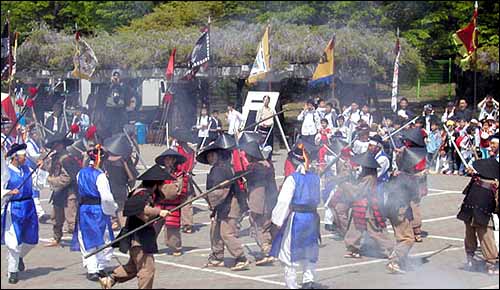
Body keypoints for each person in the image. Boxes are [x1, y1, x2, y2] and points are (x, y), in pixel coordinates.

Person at [98, 165, 172, 289]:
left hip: (137, 238)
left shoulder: (141, 192)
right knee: (147, 269)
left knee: (133, 267)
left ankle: (109, 279)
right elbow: (143, 209)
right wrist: (158, 212)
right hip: (139, 239)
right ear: (155, 184)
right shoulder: (141, 194)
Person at [270, 140, 321, 289]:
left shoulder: (292, 179)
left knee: (288, 252)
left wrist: (276, 221)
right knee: (309, 249)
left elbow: (283, 202)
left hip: (298, 218)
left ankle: (291, 284)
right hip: (312, 218)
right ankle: (308, 280)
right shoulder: (316, 178)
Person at [197, 136, 250, 271]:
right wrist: (210, 197)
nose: (209, 158)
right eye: (208, 156)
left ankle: (240, 257)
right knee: (215, 231)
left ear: (218, 155)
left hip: (231, 204)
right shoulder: (216, 169)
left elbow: (222, 192)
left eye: (211, 155)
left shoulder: (224, 168)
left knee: (227, 232)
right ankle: (217, 256)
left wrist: (210, 197)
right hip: (221, 205)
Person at [71, 145, 118, 281]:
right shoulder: (101, 176)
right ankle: (100, 266)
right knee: (103, 237)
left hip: (84, 209)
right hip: (98, 209)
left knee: (86, 237)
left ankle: (93, 268)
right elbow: (106, 197)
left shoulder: (80, 173)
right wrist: (112, 209)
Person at [341, 152, 394, 259]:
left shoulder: (369, 177)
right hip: (360, 205)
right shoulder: (366, 175)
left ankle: (390, 248)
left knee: (375, 231)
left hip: (368, 207)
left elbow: (357, 190)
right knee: (355, 228)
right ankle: (353, 248)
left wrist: (344, 184)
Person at [1, 144, 39, 284]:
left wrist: (39, 169)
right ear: (15, 157)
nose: (25, 158)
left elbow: (38, 183)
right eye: (23, 156)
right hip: (15, 207)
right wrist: (9, 192)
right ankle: (13, 271)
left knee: (31, 239)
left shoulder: (27, 169)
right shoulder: (6, 172)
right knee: (13, 242)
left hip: (29, 206)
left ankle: (19, 257)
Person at [457, 159, 499, 275]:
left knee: (470, 236)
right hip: (482, 214)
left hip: (467, 210)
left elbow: (466, 192)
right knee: (487, 239)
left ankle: (470, 259)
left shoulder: (475, 179)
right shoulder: (495, 185)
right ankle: (491, 265)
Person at [240, 141, 278, 265]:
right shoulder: (267, 164)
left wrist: (255, 209)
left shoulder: (256, 168)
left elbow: (257, 190)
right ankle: (274, 250)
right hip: (271, 199)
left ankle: (267, 252)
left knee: (259, 227)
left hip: (262, 202)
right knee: (268, 226)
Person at [44, 133, 81, 247]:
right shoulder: (55, 158)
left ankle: (80, 240)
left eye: (56, 145)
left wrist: (50, 180)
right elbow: (50, 169)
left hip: (69, 193)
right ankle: (57, 238)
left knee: (72, 219)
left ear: (61, 145)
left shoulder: (67, 159)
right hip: (58, 192)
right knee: (56, 218)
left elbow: (67, 178)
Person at [396, 128, 428, 242]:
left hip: (413, 181)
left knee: (414, 206)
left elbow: (417, 169)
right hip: (409, 179)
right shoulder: (413, 150)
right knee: (410, 206)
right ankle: (412, 229)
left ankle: (416, 230)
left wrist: (400, 156)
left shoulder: (415, 152)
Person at [153, 148, 187, 256]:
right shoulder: (159, 173)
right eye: (166, 160)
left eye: (170, 159)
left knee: (172, 227)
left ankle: (175, 247)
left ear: (174, 160)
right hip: (159, 203)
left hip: (173, 204)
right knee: (153, 225)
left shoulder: (179, 174)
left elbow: (178, 190)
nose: (168, 162)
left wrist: (164, 189)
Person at [102, 133, 138, 230]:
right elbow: (131, 179)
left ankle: (118, 224)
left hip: (113, 189)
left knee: (118, 210)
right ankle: (119, 224)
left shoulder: (105, 160)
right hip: (120, 189)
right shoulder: (125, 161)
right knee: (120, 211)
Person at [171, 129, 196, 234]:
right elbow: (194, 163)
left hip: (179, 177)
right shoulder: (192, 150)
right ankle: (187, 224)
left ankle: (176, 223)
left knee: (176, 200)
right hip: (188, 175)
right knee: (187, 202)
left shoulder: (176, 150)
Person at [105, 71, 128, 135]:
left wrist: (117, 83)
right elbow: (107, 90)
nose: (116, 77)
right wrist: (112, 83)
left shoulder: (122, 85)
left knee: (120, 122)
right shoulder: (110, 84)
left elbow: (123, 90)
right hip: (111, 106)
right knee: (111, 121)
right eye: (115, 76)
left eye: (117, 76)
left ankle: (120, 133)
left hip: (120, 107)